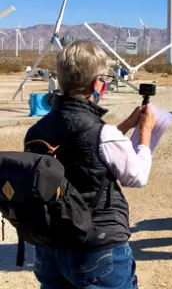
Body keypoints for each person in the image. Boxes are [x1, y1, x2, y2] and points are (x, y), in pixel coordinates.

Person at [24, 40, 157, 288]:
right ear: (97, 83)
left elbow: (81, 149)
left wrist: (126, 125)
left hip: (50, 246)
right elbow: (136, 176)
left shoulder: (35, 132)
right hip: (96, 246)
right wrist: (145, 134)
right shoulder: (102, 134)